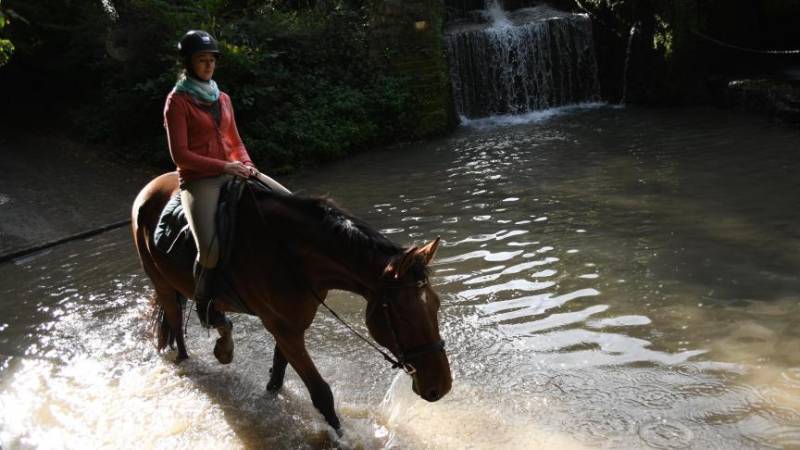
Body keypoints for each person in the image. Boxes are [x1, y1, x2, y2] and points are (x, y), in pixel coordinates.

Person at [163, 30, 290, 330]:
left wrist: (247, 164)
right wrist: (225, 166)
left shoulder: (224, 98)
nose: (208, 66)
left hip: (234, 169)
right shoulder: (177, 102)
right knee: (209, 251)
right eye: (201, 60)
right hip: (200, 180)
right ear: (188, 63)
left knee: (291, 203)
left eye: (211, 60)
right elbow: (180, 155)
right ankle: (206, 305)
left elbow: (236, 140)